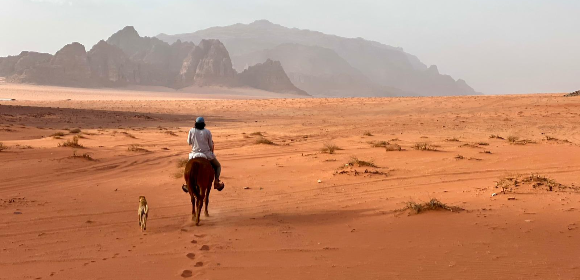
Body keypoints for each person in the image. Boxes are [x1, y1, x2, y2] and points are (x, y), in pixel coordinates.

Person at [186, 117, 225, 191]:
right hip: (206, 154)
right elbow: (210, 144)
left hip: (194, 154)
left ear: (195, 123)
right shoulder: (207, 132)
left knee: (187, 168)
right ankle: (216, 182)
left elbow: (189, 142)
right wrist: (210, 150)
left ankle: (187, 184)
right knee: (218, 166)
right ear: (203, 123)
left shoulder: (191, 131)